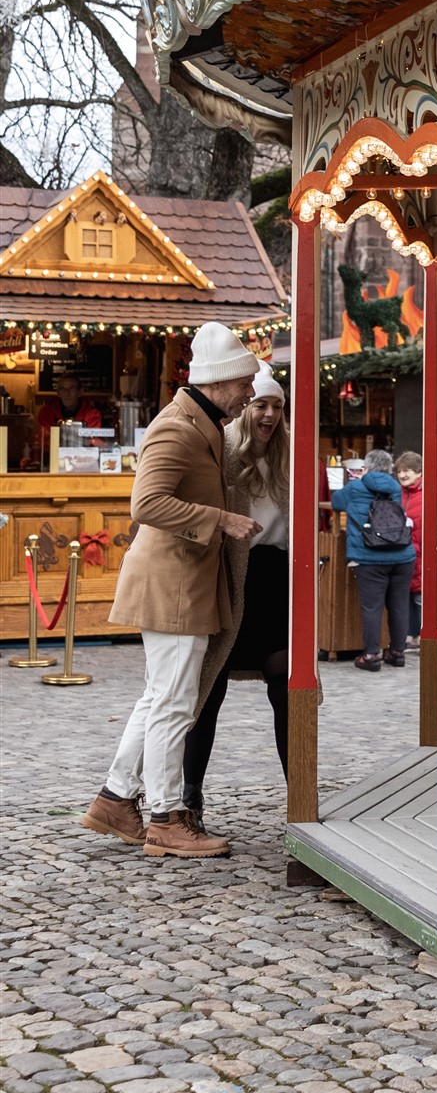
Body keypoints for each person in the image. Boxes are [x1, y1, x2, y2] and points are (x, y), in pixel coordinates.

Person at [81, 322, 261, 859]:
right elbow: (146, 503)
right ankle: (164, 816)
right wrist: (220, 520)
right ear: (222, 382)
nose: (250, 394)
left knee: (161, 698)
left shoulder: (198, 421)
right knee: (175, 704)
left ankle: (115, 799)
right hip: (175, 585)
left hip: (181, 582)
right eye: (245, 384)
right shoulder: (178, 427)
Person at [183, 365, 291, 826]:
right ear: (245, 407)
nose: (268, 414)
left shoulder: (291, 458)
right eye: (260, 404)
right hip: (229, 576)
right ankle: (190, 797)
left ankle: (300, 791)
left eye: (277, 406)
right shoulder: (221, 450)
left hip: (276, 581)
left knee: (289, 684)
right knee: (208, 689)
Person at [330, 449, 416, 671]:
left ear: (366, 467)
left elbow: (336, 502)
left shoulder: (356, 487)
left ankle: (370, 655)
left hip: (369, 556)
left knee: (372, 608)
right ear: (389, 468)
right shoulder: (395, 487)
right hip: (401, 554)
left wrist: (357, 480)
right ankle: (397, 653)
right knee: (398, 605)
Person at [395, 452, 424, 639]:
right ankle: (412, 636)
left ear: (418, 471)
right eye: (399, 471)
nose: (402, 475)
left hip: (420, 552)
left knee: (421, 598)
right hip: (405, 552)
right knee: (407, 597)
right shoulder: (398, 493)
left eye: (407, 470)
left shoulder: (425, 494)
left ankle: (423, 636)